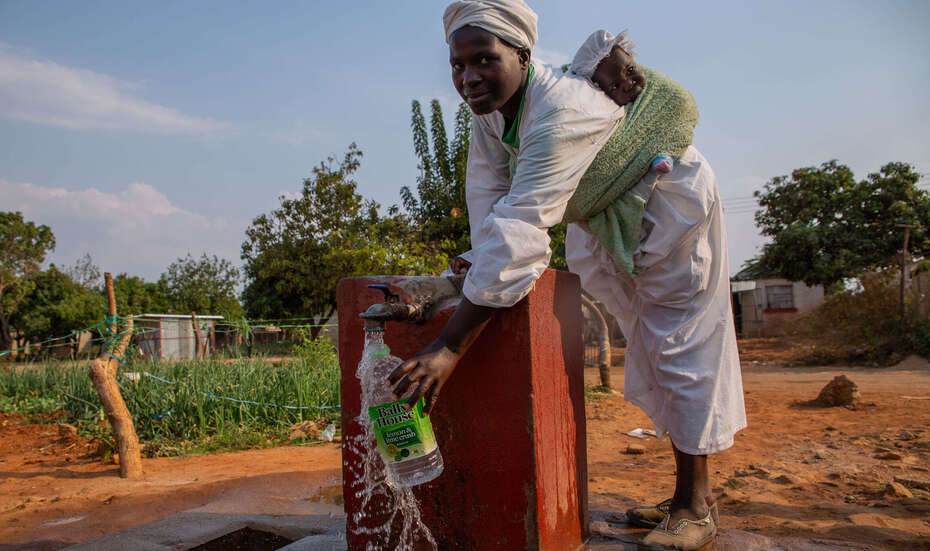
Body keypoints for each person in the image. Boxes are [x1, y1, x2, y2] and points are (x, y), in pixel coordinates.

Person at [387, 3, 745, 549]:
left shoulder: (560, 109)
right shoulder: (490, 115)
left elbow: (523, 227)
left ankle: (696, 507)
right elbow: (490, 208)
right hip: (605, 215)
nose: (469, 77)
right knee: (652, 344)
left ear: (523, 55)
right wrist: (456, 275)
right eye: (458, 65)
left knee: (681, 346)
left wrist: (449, 347)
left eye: (485, 59)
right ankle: (683, 498)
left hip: (668, 206)